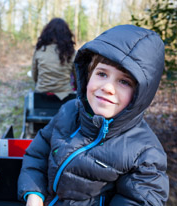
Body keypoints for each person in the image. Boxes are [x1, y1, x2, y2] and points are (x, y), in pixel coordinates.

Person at [18, 24, 169, 206]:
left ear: (141, 94)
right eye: (102, 74)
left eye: (124, 81)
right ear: (87, 74)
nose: (107, 87)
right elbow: (37, 154)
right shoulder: (68, 111)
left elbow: (140, 200)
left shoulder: (145, 155)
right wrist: (34, 194)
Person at [32, 17, 76, 100]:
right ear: (67, 34)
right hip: (65, 96)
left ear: (47, 33)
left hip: (41, 95)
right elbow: (78, 78)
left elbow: (35, 76)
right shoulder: (71, 52)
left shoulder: (39, 50)